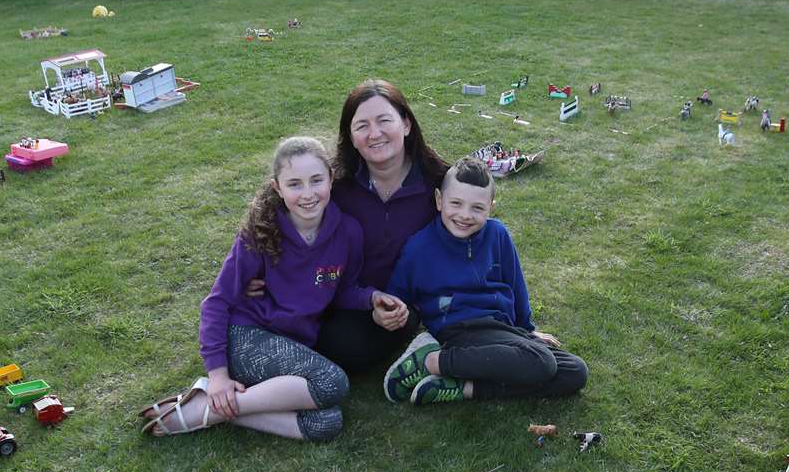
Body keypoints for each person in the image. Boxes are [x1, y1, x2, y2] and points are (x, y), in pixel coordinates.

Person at [139, 136, 402, 440]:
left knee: (327, 422)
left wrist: (372, 297)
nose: (307, 194)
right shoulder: (261, 233)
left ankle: (213, 409)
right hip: (245, 337)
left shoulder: (349, 232)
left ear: (331, 179)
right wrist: (218, 375)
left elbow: (343, 291)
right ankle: (215, 398)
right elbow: (216, 303)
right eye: (294, 184)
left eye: (316, 180)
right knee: (332, 382)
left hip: (292, 344)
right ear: (278, 187)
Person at [380, 157, 587, 406]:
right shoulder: (419, 248)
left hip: (501, 330)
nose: (465, 215)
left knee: (574, 371)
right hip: (459, 331)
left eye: (477, 208)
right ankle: (432, 361)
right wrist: (388, 310)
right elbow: (396, 294)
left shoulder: (497, 234)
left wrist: (527, 330)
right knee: (541, 362)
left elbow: (515, 285)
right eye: (456, 203)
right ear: (438, 200)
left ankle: (462, 388)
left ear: (491, 207)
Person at [317, 78, 450, 373]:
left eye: (384, 121)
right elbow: (279, 203)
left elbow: (479, 240)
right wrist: (258, 268)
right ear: (350, 136)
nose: (374, 134)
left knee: (347, 349)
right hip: (335, 291)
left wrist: (517, 322)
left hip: (399, 304)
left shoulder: (440, 182)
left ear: (406, 124)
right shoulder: (335, 182)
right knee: (294, 324)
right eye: (361, 125)